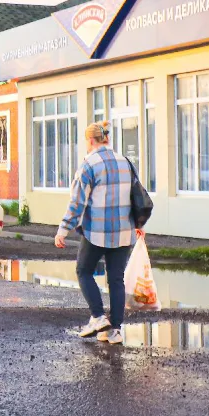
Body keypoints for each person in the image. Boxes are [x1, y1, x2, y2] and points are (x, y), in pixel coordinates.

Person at [54, 121, 144, 345]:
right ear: (106, 139)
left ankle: (98, 317)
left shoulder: (88, 165)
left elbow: (77, 202)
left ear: (91, 140)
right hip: (124, 231)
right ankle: (115, 331)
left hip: (97, 231)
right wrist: (139, 224)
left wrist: (63, 230)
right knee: (116, 279)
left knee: (83, 271)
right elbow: (136, 195)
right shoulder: (125, 162)